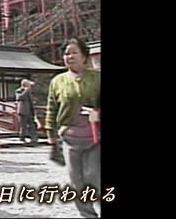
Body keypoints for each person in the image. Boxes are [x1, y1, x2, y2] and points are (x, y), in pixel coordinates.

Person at [45, 38, 100, 218]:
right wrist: (51, 134)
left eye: (74, 52)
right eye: (67, 53)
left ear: (84, 56)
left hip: (95, 138)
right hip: (69, 138)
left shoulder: (97, 78)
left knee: (94, 177)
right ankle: (87, 215)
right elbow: (51, 108)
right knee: (76, 181)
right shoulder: (57, 81)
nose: (69, 56)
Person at [15, 78, 39, 145]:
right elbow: (19, 98)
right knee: (23, 125)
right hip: (23, 110)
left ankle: (34, 138)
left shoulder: (30, 91)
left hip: (30, 110)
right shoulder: (19, 91)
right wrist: (26, 90)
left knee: (32, 125)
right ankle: (22, 137)